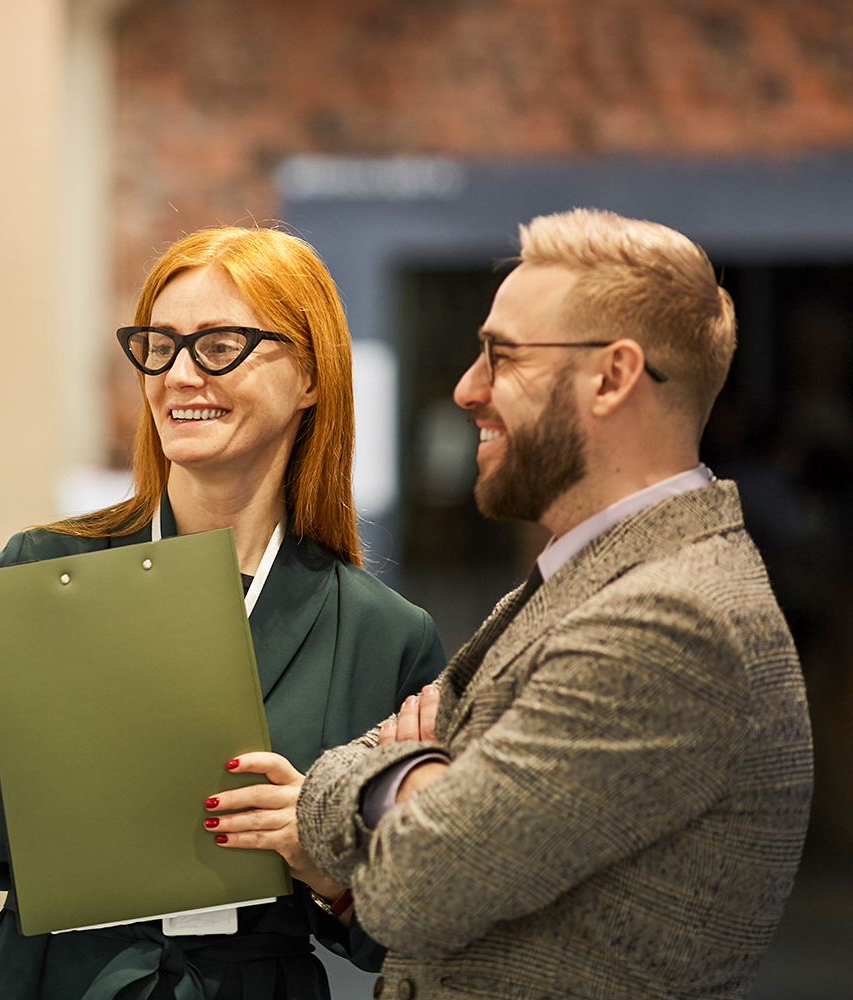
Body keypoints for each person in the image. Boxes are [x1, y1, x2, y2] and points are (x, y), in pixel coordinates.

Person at [0, 226, 445, 999]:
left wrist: (317, 855)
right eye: (159, 345)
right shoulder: (43, 573)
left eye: (218, 346)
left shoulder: (385, 634)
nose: (179, 375)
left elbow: (405, 931)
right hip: (53, 982)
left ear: (309, 373)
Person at [295, 209, 814, 999]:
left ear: (612, 376)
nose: (468, 389)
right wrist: (429, 782)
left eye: (502, 356)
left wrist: (390, 772)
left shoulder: (670, 621)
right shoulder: (591, 580)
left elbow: (410, 888)